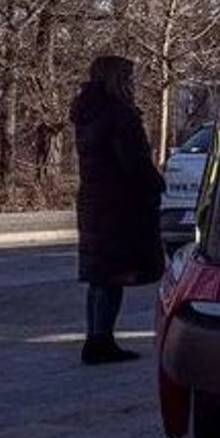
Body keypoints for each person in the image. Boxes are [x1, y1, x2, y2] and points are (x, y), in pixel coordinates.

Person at [70, 56, 165, 365]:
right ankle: (102, 340)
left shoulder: (87, 114)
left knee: (100, 274)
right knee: (114, 273)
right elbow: (134, 163)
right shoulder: (120, 116)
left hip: (94, 201)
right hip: (119, 205)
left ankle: (95, 336)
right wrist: (154, 184)